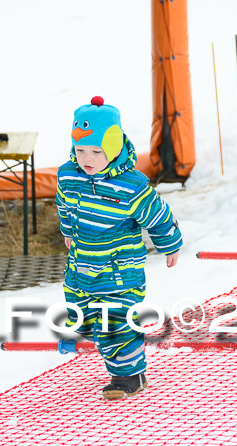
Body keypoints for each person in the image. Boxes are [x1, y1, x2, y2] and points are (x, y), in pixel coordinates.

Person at [56, 96, 183, 400]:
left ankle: (129, 376)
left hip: (119, 272)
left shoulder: (130, 185)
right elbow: (64, 206)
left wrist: (169, 245)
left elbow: (158, 214)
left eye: (96, 151)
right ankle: (114, 352)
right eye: (80, 150)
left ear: (112, 148)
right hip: (81, 268)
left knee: (114, 321)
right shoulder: (68, 175)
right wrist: (68, 232)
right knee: (85, 316)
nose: (86, 158)